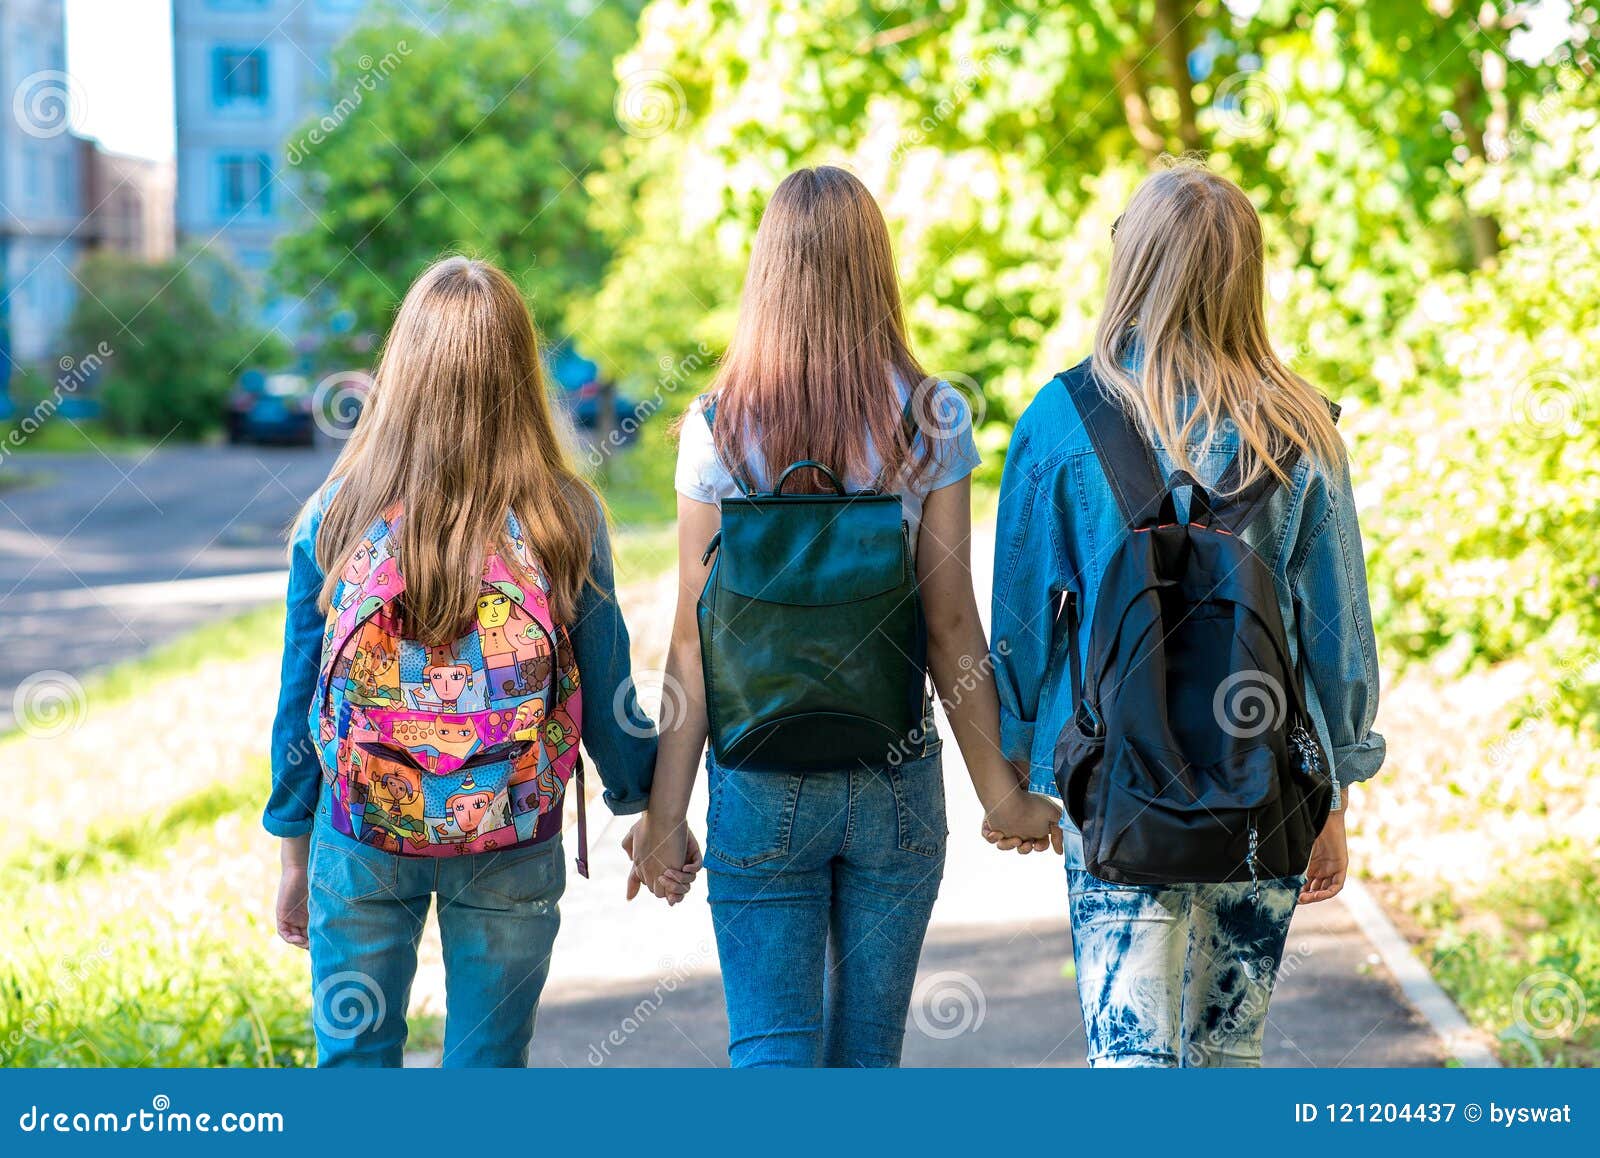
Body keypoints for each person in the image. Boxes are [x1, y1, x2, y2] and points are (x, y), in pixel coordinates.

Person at [626, 166, 1061, 1068]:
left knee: (773, 1060)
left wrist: (666, 814)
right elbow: (949, 628)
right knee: (867, 1063)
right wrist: (1003, 797)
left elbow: (691, 637)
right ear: (879, 271)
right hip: (893, 775)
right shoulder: (931, 413)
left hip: (758, 776)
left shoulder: (718, 424)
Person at [990, 161, 1385, 1067]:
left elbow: (1017, 623)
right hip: (1269, 780)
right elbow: (1337, 630)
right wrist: (1341, 786)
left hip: (1112, 793)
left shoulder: (1063, 418)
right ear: (1247, 274)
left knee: (1135, 1067)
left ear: (1132, 265)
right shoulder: (1305, 428)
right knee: (1228, 1057)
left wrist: (1016, 766)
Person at [266, 256, 699, 1067]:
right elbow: (608, 692)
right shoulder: (563, 515)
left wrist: (296, 848)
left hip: (362, 832)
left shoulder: (336, 513)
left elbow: (299, 700)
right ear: (519, 376)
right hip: (510, 829)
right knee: (488, 1070)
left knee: (355, 1068)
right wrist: (650, 808)